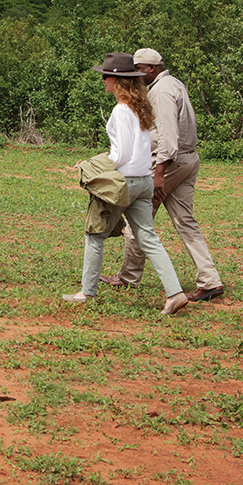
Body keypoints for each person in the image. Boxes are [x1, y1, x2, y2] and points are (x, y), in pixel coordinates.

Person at [63, 53, 190, 316]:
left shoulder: (121, 110)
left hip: (125, 182)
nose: (103, 81)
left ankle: (86, 292)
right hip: (144, 180)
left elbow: (120, 155)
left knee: (95, 235)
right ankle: (175, 293)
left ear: (117, 80)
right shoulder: (140, 107)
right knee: (148, 238)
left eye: (106, 77)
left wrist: (92, 163)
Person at [102, 48, 226, 302]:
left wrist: (159, 173)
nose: (135, 76)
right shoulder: (174, 83)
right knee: (185, 221)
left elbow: (168, 136)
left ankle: (128, 276)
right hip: (188, 159)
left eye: (139, 71)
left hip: (169, 162)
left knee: (139, 218)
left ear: (151, 69)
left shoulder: (160, 91)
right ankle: (210, 279)